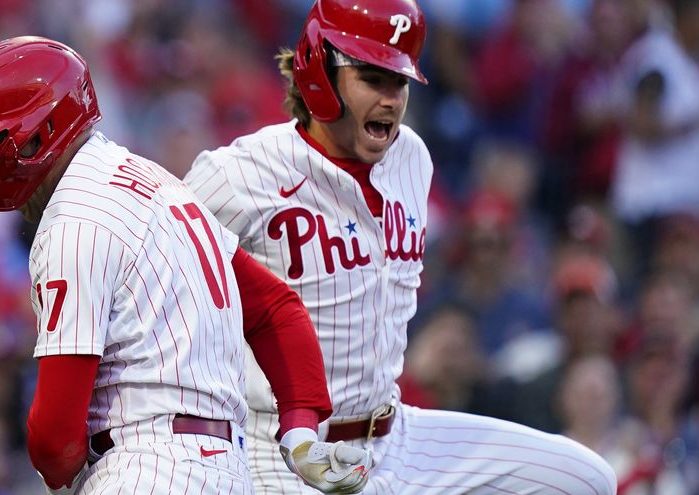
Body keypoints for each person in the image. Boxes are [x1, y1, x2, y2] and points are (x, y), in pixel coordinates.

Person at [184, 1, 618, 493]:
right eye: (373, 79)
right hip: (282, 448)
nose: (391, 99)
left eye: (400, 82)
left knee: (587, 479)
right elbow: (159, 287)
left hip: (395, 435)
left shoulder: (412, 158)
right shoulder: (238, 174)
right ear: (320, 74)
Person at [0, 36, 371, 495]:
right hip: (226, 473)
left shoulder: (75, 218)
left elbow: (55, 439)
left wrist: (58, 478)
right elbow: (276, 309)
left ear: (36, 134)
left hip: (143, 468)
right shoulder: (161, 186)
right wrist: (299, 432)